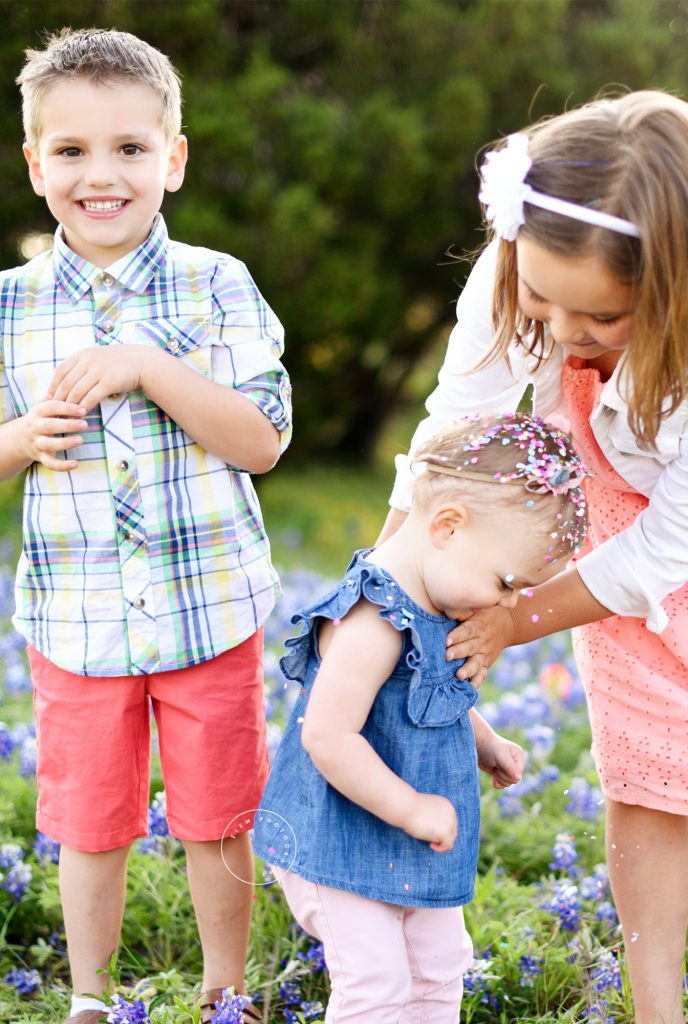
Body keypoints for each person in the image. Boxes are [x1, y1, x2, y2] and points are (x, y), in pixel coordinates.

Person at [0, 28, 291, 1024]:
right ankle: (90, 997)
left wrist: (146, 366)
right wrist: (18, 438)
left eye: (129, 147)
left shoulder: (217, 283)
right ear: (36, 165)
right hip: (77, 619)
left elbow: (260, 440)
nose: (101, 174)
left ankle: (227, 991)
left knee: (217, 816)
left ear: (172, 158)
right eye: (71, 151)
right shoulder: (10, 308)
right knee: (89, 821)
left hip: (207, 606)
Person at [379, 90, 688, 1024]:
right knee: (648, 776)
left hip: (659, 535)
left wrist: (519, 617)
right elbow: (456, 428)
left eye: (599, 319)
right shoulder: (515, 278)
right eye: (541, 300)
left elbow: (671, 537)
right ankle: (654, 1007)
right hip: (613, 549)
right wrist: (383, 583)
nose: (560, 333)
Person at [253, 412, 588, 1024]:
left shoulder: (441, 596)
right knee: (377, 981)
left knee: (440, 966)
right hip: (342, 833)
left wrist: (484, 739)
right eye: (507, 582)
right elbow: (327, 736)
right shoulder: (371, 621)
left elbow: (430, 695)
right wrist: (412, 808)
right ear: (447, 527)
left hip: (418, 834)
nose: (510, 605)